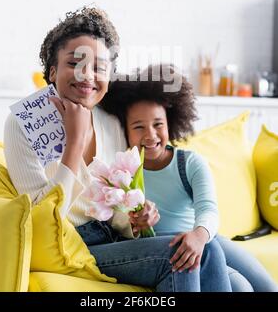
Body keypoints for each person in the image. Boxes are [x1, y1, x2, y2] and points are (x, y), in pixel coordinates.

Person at [4, 7, 231, 292]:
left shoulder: (110, 122)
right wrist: (73, 144)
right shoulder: (23, 123)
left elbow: (116, 208)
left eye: (99, 67)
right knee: (181, 256)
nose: (87, 76)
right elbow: (42, 221)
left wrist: (136, 219)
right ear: (52, 71)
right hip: (69, 246)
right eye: (75, 63)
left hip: (113, 240)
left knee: (209, 252)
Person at [100, 64, 278, 292]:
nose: (150, 135)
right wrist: (135, 223)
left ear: (170, 123)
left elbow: (209, 209)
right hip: (164, 248)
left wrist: (199, 235)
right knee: (241, 287)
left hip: (203, 239)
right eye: (138, 127)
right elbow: (117, 222)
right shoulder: (123, 171)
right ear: (124, 130)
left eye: (158, 125)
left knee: (266, 286)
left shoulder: (190, 163)